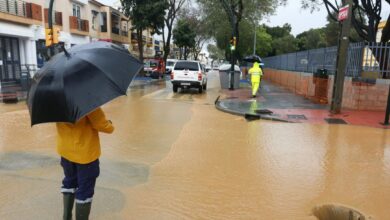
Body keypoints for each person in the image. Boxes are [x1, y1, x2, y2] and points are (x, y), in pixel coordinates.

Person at [56, 107, 114, 220]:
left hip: (65, 151)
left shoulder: (56, 101)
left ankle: (66, 217)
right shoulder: (87, 101)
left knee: (69, 182)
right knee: (85, 190)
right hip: (85, 154)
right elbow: (101, 124)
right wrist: (110, 125)